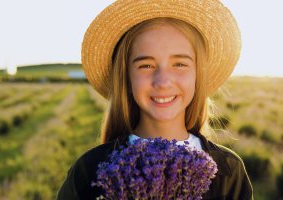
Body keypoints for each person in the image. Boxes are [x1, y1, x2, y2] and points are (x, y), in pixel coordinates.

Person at [57, 0, 253, 199]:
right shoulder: (88, 171)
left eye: (179, 64)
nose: (163, 81)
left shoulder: (229, 172)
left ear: (197, 74)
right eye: (146, 65)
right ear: (127, 77)